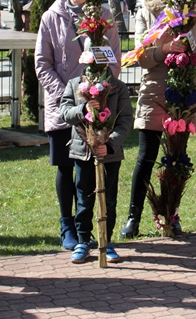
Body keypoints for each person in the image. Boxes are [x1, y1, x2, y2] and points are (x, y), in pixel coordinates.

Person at [121, 0, 196, 239]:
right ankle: (133, 217)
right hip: (154, 91)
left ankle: (171, 215)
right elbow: (140, 56)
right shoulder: (147, 10)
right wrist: (165, 50)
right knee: (146, 157)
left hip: (184, 97)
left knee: (177, 158)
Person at [35, 0, 121, 250]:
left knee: (90, 169)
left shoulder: (104, 17)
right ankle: (67, 226)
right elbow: (42, 64)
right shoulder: (51, 17)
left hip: (97, 106)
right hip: (65, 107)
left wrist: (100, 94)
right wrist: (69, 97)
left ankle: (91, 229)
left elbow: (114, 60)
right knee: (65, 166)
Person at [60, 70, 133, 263]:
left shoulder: (118, 87)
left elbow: (125, 120)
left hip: (110, 155)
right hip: (83, 152)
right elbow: (65, 112)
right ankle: (83, 241)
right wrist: (83, 109)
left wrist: (110, 144)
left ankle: (106, 241)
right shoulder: (74, 84)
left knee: (108, 200)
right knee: (83, 199)